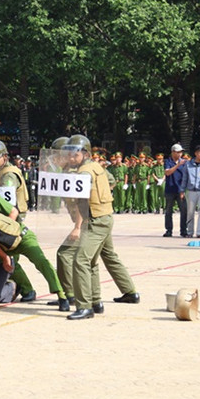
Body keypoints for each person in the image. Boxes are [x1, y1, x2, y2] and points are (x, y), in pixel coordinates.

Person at [61, 135, 138, 320]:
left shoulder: (84, 172)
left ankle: (85, 306)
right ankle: (98, 301)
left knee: (80, 260)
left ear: (85, 154)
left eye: (75, 154)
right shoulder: (96, 166)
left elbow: (81, 199)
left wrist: (78, 225)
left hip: (95, 220)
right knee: (97, 259)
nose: (71, 157)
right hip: (103, 217)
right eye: (69, 154)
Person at [0, 139, 29, 221]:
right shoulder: (0, 170)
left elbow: (6, 197)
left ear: (5, 157)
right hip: (6, 211)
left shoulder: (9, 174)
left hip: (14, 213)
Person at [180, 145, 200, 238]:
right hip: (190, 191)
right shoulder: (188, 165)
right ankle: (190, 232)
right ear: (196, 153)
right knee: (190, 212)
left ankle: (199, 232)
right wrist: (182, 190)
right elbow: (184, 178)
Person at [163, 143, 188, 237]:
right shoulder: (168, 161)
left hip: (180, 190)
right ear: (173, 152)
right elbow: (167, 172)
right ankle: (169, 230)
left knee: (183, 211)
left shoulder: (184, 162)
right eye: (178, 152)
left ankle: (183, 230)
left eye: (181, 152)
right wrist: (177, 165)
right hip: (170, 189)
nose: (180, 154)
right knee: (168, 211)